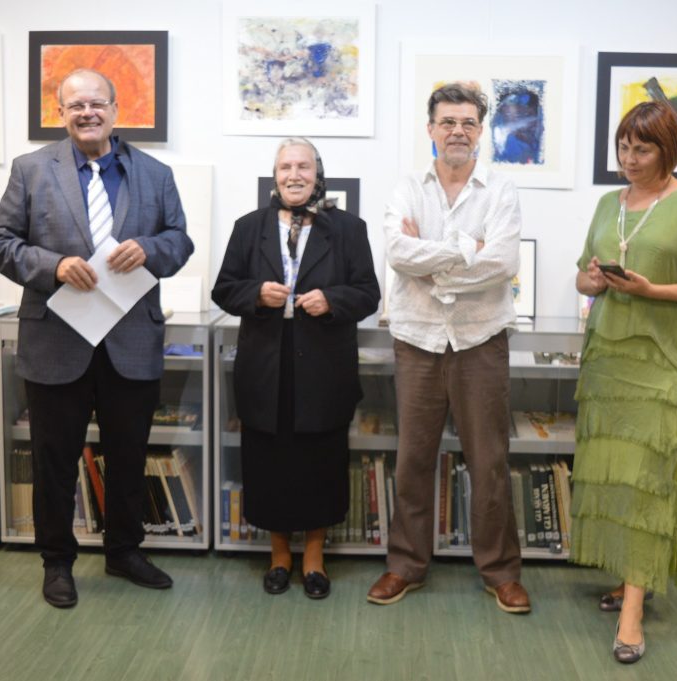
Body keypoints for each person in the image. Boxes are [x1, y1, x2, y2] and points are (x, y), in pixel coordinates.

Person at [0, 69, 193, 608]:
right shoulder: (31, 170)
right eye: (75, 105)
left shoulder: (156, 174)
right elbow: (1, 243)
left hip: (131, 343)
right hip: (56, 343)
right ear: (61, 113)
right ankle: (57, 562)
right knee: (54, 462)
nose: (87, 113)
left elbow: (180, 241)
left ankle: (124, 552)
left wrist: (150, 249)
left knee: (128, 457)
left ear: (115, 109)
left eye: (96, 103)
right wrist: (54, 266)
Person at [367, 83, 530, 614]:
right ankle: (405, 566)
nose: (457, 131)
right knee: (413, 459)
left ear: (481, 130)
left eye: (467, 122)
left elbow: (503, 262)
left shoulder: (500, 190)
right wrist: (467, 251)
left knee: (489, 461)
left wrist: (434, 262)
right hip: (417, 339)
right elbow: (397, 252)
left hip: (480, 340)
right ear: (431, 129)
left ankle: (500, 572)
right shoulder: (406, 189)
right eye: (448, 122)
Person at [571, 100, 677, 663]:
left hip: (660, 363)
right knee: (616, 477)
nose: (629, 159)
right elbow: (583, 277)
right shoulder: (607, 204)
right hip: (608, 357)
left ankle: (633, 612)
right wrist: (593, 279)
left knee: (648, 480)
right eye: (623, 148)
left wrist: (652, 291)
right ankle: (629, 579)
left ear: (668, 150)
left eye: (642, 150)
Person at [211, 138, 379, 599]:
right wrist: (254, 294)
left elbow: (368, 293)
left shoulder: (348, 229)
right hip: (265, 366)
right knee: (269, 462)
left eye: (303, 166)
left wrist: (333, 300)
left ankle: (315, 558)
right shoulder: (249, 227)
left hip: (324, 368)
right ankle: (279, 555)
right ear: (275, 175)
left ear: (317, 174)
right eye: (286, 166)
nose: (294, 175)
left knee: (320, 461)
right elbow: (223, 290)